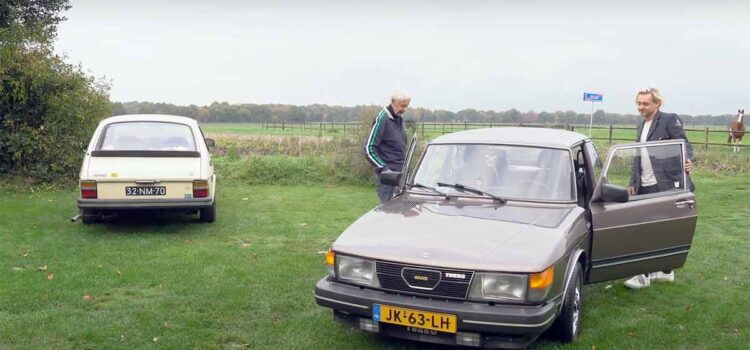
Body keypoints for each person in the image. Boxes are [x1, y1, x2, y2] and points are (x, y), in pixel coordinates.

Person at [624, 87, 695, 289]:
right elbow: (638, 157)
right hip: (644, 185)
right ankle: (665, 271)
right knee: (650, 228)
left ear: (657, 103)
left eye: (645, 103)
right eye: (639, 103)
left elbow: (684, 145)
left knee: (653, 230)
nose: (641, 107)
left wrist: (688, 159)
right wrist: (632, 182)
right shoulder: (640, 126)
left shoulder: (669, 120)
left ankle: (643, 275)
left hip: (665, 185)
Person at [364, 91, 410, 202]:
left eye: (406, 106)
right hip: (388, 180)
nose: (405, 110)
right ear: (393, 102)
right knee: (389, 214)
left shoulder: (399, 118)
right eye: (402, 106)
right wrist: (384, 170)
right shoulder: (382, 119)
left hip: (402, 177)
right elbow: (368, 149)